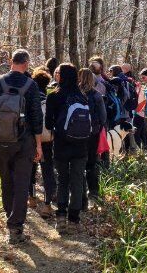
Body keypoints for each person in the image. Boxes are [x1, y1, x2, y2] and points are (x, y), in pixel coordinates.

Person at [0, 49, 44, 244]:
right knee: (22, 183)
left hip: (1, 141)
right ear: (26, 64)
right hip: (24, 142)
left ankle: (10, 218)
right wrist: (39, 145)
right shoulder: (31, 85)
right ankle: (16, 228)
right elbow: (36, 118)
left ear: (11, 62)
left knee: (6, 180)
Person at [45, 63, 101, 231]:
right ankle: (74, 221)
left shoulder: (53, 96)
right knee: (77, 181)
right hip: (81, 146)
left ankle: (61, 218)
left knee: (63, 180)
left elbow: (48, 124)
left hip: (61, 145)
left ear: (61, 76)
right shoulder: (83, 97)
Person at [30, 67, 57, 217]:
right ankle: (47, 205)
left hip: (31, 140)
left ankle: (32, 198)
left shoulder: (29, 99)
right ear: (47, 84)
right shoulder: (49, 100)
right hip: (47, 140)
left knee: (31, 170)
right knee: (47, 172)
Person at [78, 67, 108, 206]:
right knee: (91, 163)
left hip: (76, 134)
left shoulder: (74, 94)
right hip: (93, 133)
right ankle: (94, 193)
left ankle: (80, 195)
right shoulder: (96, 96)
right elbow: (103, 118)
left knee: (78, 163)